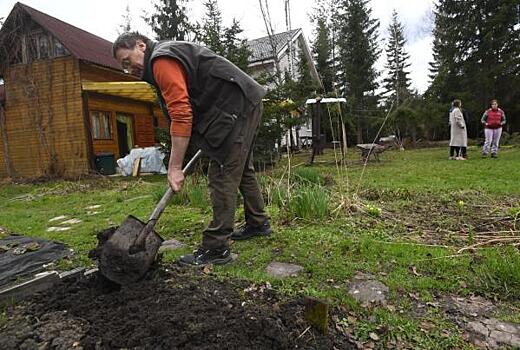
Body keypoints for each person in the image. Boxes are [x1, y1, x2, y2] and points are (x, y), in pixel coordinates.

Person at [112, 32, 272, 267]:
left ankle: (216, 248)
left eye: (128, 61)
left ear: (141, 45)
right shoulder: (161, 58)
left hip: (236, 105)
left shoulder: (161, 60)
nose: (129, 70)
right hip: (238, 103)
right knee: (240, 168)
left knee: (222, 171)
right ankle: (258, 223)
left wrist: (174, 167)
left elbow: (181, 113)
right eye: (123, 67)